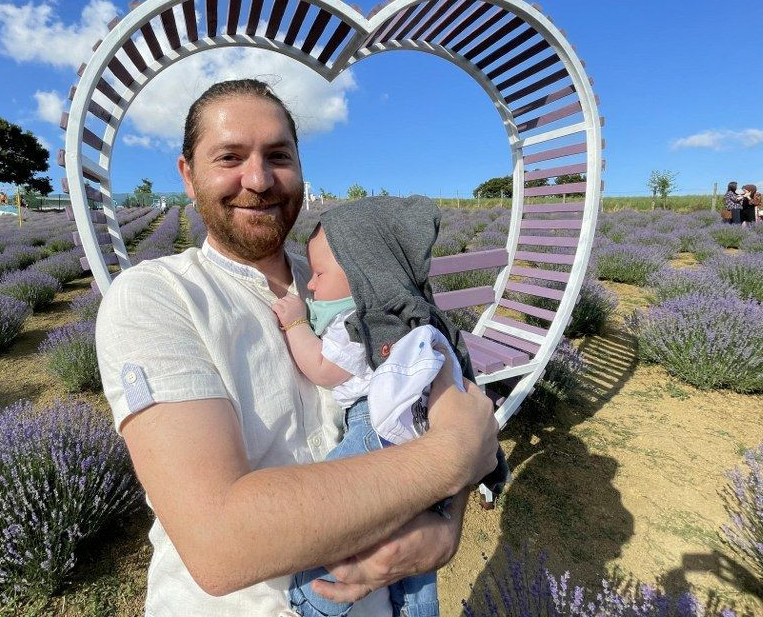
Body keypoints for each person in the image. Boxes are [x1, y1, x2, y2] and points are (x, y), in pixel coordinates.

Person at [96, 79, 499, 617]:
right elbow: (222, 544)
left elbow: (444, 407)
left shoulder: (346, 283)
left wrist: (448, 524)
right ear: (188, 176)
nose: (258, 180)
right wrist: (454, 460)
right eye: (230, 157)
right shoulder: (156, 298)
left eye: (278, 156)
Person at [272, 196, 503, 617]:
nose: (310, 284)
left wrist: (295, 323)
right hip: (419, 434)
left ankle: (313, 598)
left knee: (337, 503)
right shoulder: (413, 319)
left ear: (363, 274)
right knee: (415, 552)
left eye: (320, 274)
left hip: (374, 425)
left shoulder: (359, 323)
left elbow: (323, 369)